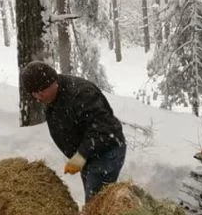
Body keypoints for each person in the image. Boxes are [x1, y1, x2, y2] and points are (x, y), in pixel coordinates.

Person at [21, 61, 126, 202]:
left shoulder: (82, 94)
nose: (38, 97)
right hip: (89, 154)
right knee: (94, 198)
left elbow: (102, 129)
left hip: (106, 151)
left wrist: (81, 155)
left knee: (96, 203)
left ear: (52, 82)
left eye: (40, 92)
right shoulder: (52, 98)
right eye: (34, 94)